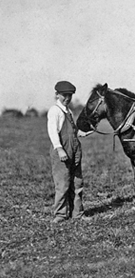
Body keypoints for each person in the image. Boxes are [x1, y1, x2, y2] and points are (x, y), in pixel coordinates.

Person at [47, 81, 90, 223]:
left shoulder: (68, 111)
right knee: (63, 183)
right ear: (57, 94)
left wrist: (81, 133)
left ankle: (77, 213)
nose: (67, 98)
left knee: (77, 183)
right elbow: (53, 132)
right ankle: (60, 214)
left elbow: (72, 130)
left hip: (74, 150)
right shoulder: (55, 111)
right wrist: (59, 149)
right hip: (62, 150)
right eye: (64, 95)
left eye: (70, 95)